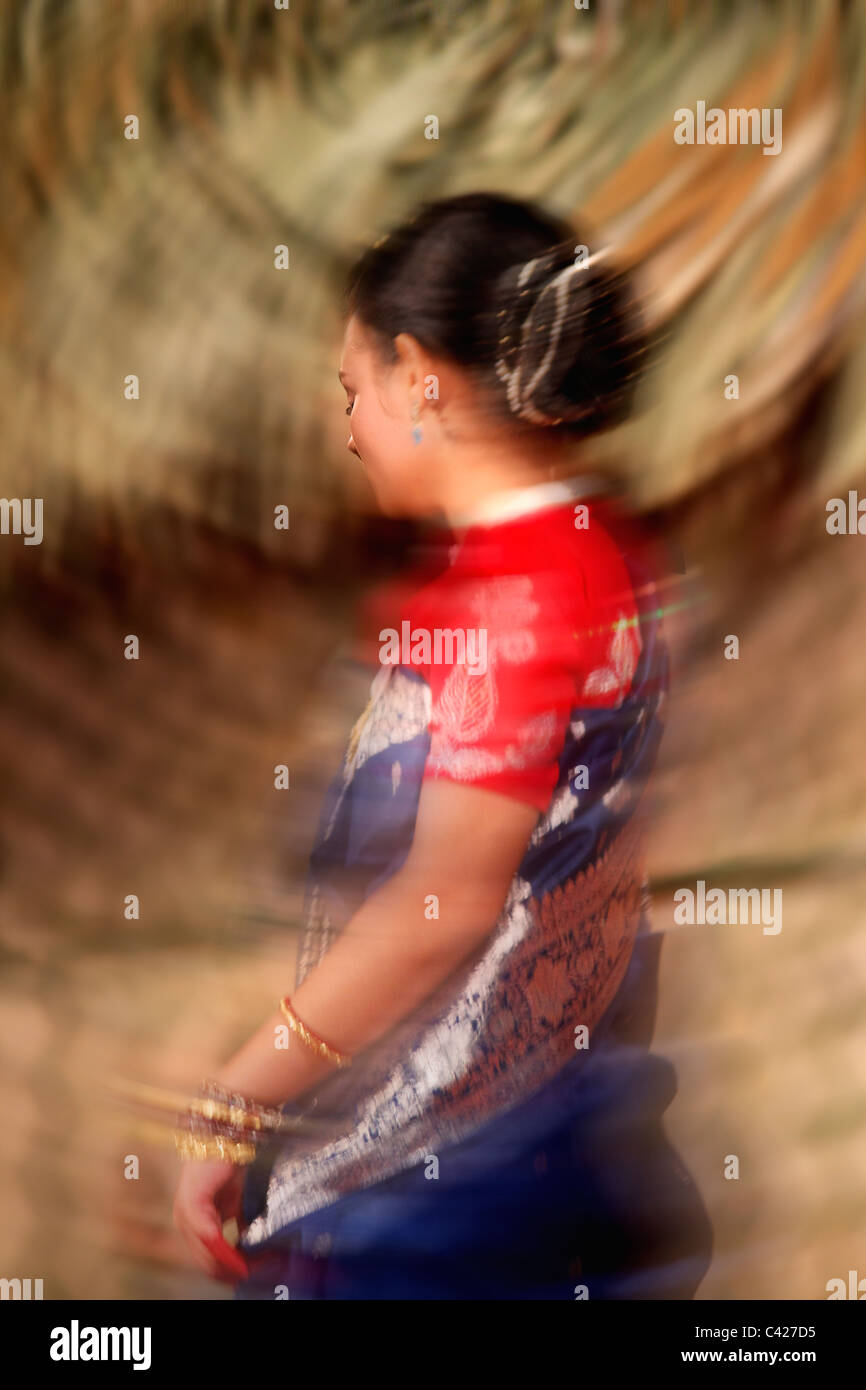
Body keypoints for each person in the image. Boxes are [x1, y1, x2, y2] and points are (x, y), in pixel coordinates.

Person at [171, 192, 713, 1299]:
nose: (348, 425)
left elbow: (444, 901)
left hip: (447, 1173)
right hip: (566, 1119)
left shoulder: (507, 595)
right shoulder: (606, 551)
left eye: (353, 388)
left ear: (421, 375)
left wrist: (239, 1097)